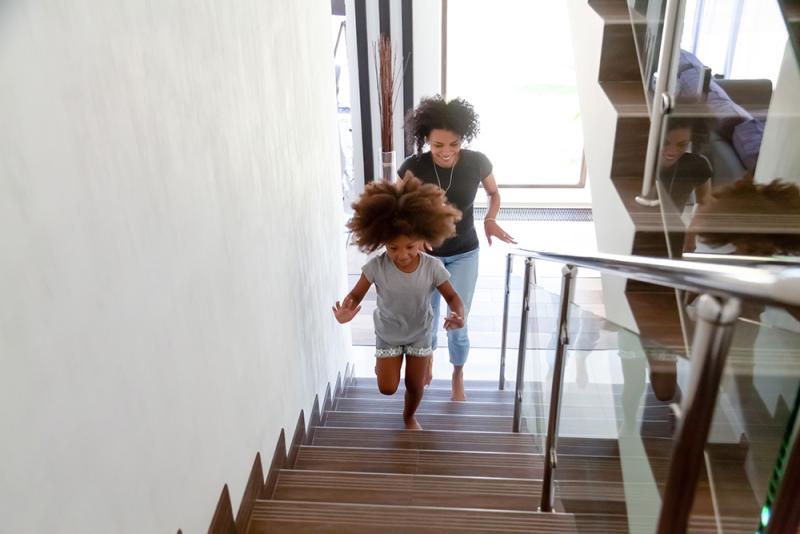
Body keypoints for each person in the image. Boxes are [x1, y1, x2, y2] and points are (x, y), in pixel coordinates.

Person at [398, 95, 516, 401]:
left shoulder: (477, 162)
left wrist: (490, 218)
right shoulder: (413, 166)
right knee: (428, 316)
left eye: (453, 144)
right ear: (426, 140)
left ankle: (458, 372)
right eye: (438, 145)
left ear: (463, 138)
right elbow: (396, 206)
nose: (447, 151)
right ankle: (429, 357)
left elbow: (493, 193)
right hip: (425, 256)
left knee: (457, 317)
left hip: (465, 252)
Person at [332, 177, 466, 430]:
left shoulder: (432, 267)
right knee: (387, 388)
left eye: (410, 246)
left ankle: (409, 416)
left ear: (424, 237)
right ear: (381, 241)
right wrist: (346, 310)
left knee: (415, 385)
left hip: (420, 333)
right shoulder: (376, 266)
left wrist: (458, 314)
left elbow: (452, 297)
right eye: (393, 248)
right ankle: (384, 368)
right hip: (389, 333)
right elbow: (356, 295)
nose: (401, 255)